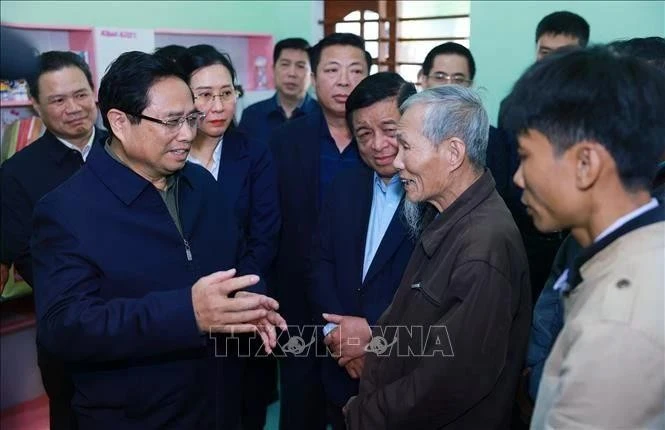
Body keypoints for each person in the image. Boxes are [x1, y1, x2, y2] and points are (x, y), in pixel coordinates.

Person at [30, 50, 286, 429]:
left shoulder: (202, 187)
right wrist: (187, 313)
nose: (187, 134)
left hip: (221, 403)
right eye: (171, 122)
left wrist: (248, 300)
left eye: (190, 118)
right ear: (119, 122)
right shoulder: (67, 210)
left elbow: (240, 260)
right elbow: (65, 327)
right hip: (135, 415)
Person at [344, 85, 532, 429]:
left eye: (406, 146)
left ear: (453, 153)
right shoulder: (445, 215)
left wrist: (366, 414)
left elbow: (447, 382)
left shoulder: (483, 246)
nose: (396, 160)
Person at [505, 45, 665, 429]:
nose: (517, 178)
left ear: (585, 164)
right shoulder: (628, 251)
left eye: (526, 157)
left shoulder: (619, 323)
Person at [0, 50, 108, 430]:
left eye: (80, 94)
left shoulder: (131, 151)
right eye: (58, 100)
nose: (74, 108)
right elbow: (25, 254)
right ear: (35, 105)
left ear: (94, 91)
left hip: (141, 318)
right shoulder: (17, 174)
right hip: (67, 328)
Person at [176, 43, 281, 430]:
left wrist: (241, 295)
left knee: (242, 410)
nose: (218, 106)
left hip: (243, 308)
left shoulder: (253, 154)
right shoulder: (167, 155)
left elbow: (264, 234)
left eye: (226, 93)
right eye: (204, 95)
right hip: (180, 311)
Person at [270, 32, 371, 430]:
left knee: (364, 409)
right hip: (300, 304)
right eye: (332, 70)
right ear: (315, 76)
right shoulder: (283, 141)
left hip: (369, 308)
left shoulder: (385, 143)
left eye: (355, 71)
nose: (344, 81)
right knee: (300, 406)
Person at [307, 72, 416, 429]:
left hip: (405, 373)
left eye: (390, 129)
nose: (378, 144)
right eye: (364, 134)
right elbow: (320, 264)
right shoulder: (345, 184)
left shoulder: (432, 197)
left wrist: (374, 341)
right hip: (340, 368)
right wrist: (338, 339)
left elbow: (430, 296)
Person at [419, 42, 516, 213]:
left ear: (470, 86)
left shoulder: (492, 140)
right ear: (424, 80)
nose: (449, 86)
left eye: (458, 79)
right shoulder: (410, 134)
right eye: (440, 77)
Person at [239, 37, 319, 146]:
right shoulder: (252, 115)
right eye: (285, 64)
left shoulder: (323, 115)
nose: (292, 73)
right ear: (273, 69)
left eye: (300, 66)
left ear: (312, 74)